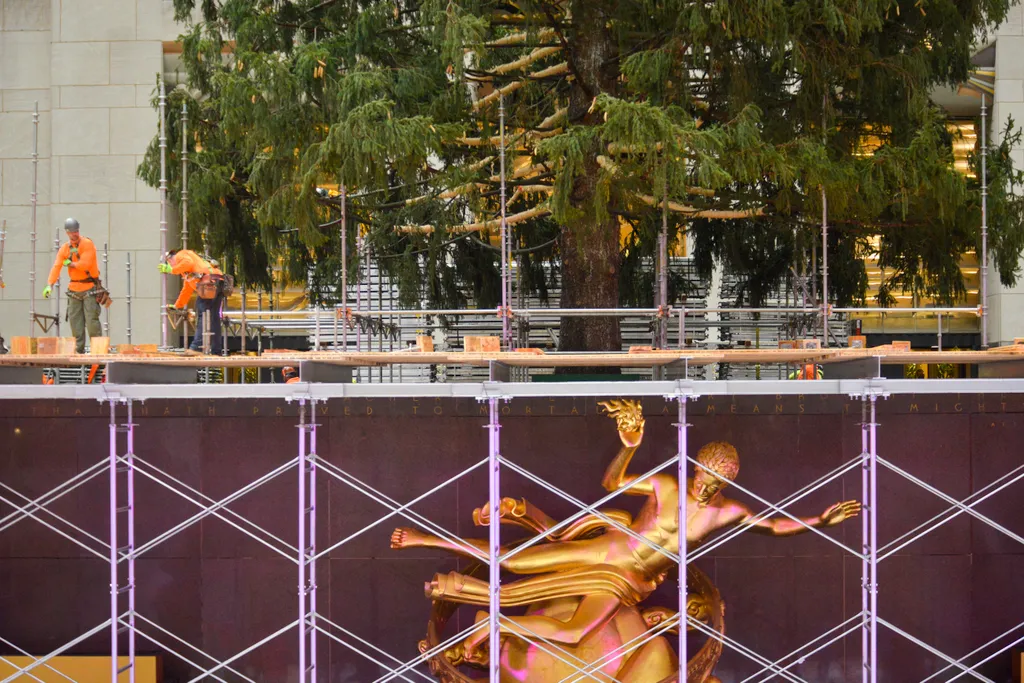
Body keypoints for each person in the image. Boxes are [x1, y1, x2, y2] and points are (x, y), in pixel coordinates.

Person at [392, 398, 861, 660]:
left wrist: (820, 519)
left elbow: (775, 527)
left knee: (574, 632)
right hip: (608, 552)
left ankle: (495, 623)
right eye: (703, 476)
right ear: (696, 467)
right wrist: (630, 446)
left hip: (628, 582)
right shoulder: (666, 486)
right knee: (512, 560)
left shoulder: (726, 513)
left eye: (715, 483)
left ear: (726, 483)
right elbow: (612, 482)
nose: (705, 487)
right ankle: (423, 536)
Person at [43, 218, 103, 353]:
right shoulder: (65, 249)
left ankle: (98, 350)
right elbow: (56, 266)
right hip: (74, 290)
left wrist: (70, 264)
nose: (75, 234)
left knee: (91, 321)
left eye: (76, 231)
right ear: (67, 233)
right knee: (75, 322)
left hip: (89, 288)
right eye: (72, 232)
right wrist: (49, 285)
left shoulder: (87, 244)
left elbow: (85, 264)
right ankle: (78, 351)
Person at [159, 249, 224, 354]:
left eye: (170, 263)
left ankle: (196, 347)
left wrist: (171, 270)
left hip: (209, 283)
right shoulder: (188, 273)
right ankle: (217, 351)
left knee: (203, 312)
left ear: (170, 258)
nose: (171, 264)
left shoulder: (181, 255)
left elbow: (187, 263)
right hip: (217, 282)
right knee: (214, 317)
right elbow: (187, 290)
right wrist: (177, 305)